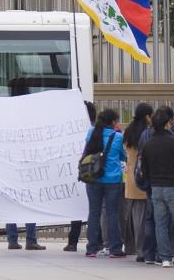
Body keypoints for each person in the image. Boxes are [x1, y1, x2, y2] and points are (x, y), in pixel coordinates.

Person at [141, 109, 174, 267]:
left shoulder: (148, 144)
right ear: (166, 123)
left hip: (156, 188)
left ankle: (165, 258)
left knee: (160, 224)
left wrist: (152, 183)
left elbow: (145, 169)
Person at [83, 108, 126, 259]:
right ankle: (115, 249)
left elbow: (86, 150)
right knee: (112, 213)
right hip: (112, 180)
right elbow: (123, 156)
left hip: (93, 178)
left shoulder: (91, 132)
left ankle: (92, 248)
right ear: (113, 122)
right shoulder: (117, 136)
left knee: (93, 212)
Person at [121, 103, 152, 260]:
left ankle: (132, 247)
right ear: (147, 116)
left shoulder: (128, 131)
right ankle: (141, 251)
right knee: (143, 220)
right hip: (142, 179)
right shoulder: (146, 133)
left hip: (131, 179)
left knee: (133, 219)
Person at [66, 101, 97, 252]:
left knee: (77, 210)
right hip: (95, 174)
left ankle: (72, 242)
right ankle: (96, 242)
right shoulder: (98, 129)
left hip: (81, 173)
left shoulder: (76, 130)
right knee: (95, 210)